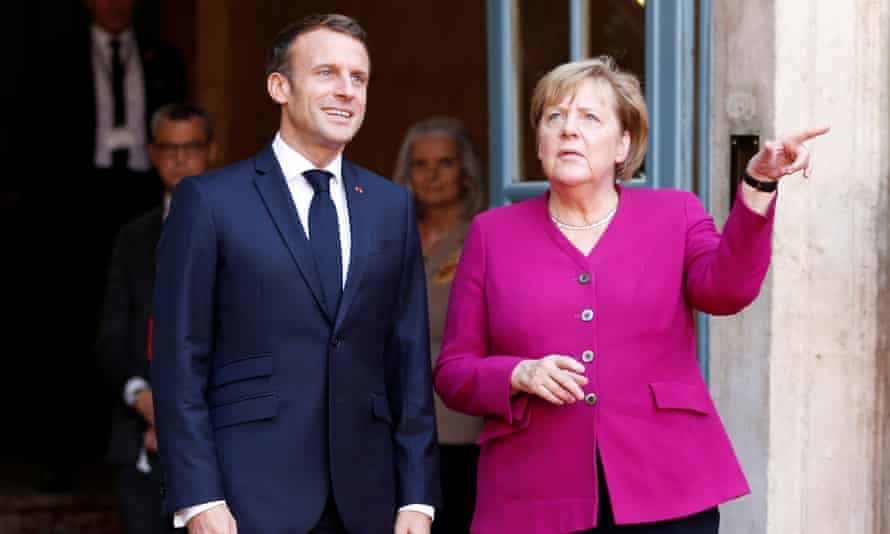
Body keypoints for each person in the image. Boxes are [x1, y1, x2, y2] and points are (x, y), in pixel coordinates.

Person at [433, 56, 829, 534]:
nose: (568, 130)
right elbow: (454, 372)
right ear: (539, 142)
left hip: (666, 482)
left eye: (589, 118)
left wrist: (759, 185)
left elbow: (726, 291)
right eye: (554, 118)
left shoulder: (675, 213)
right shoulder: (492, 234)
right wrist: (519, 372)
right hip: (532, 492)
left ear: (623, 144)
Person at [151, 14, 440, 534]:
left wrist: (418, 500)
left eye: (359, 78)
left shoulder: (391, 205)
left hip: (369, 502)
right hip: (244, 500)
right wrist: (198, 500)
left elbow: (409, 362)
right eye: (327, 73)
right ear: (279, 86)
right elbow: (179, 361)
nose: (347, 91)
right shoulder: (210, 201)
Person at [22, 0, 187, 491]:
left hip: (141, 193)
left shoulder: (162, 56)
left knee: (146, 314)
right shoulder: (54, 56)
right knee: (72, 324)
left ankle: (148, 435)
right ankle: (64, 454)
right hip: (72, 208)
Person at [96, 102, 217, 534]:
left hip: (221, 442)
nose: (181, 158)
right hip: (141, 438)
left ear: (212, 150)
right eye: (169, 148)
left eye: (191, 147)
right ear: (151, 153)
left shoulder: (244, 229)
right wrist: (144, 399)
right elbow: (111, 336)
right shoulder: (134, 237)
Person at [393, 116, 485, 534]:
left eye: (445, 163)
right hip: (391, 421)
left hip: (458, 426)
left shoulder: (484, 238)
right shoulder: (389, 235)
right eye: (421, 164)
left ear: (466, 172)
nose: (431, 175)